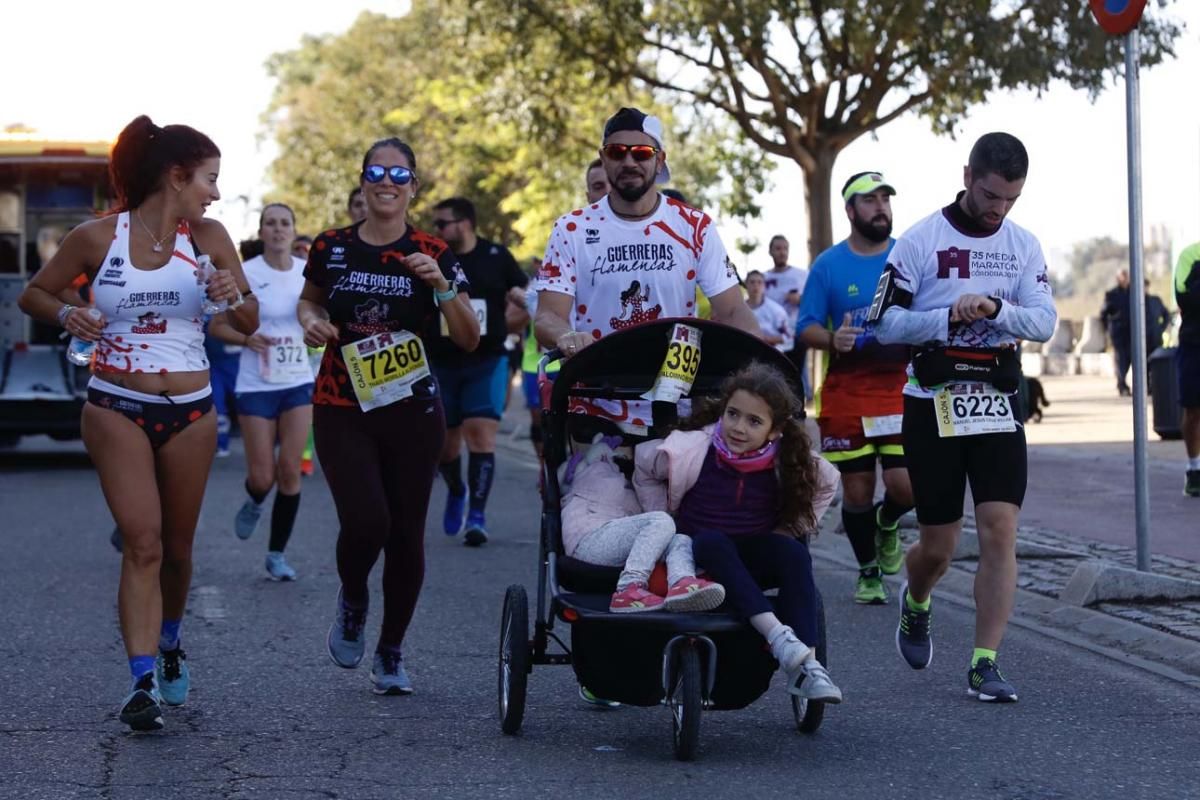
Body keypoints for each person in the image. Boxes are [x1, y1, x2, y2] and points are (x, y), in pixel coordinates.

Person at [17, 115, 258, 730]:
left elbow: (250, 321)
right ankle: (142, 678)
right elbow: (35, 296)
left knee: (177, 550)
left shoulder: (209, 237)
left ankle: (172, 643)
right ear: (177, 176)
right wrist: (70, 315)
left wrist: (232, 291)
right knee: (143, 541)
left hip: (191, 410)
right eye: (209, 178)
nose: (214, 192)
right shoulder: (98, 237)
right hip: (115, 404)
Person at [874, 132, 1056, 703]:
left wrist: (998, 308)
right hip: (933, 401)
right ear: (967, 175)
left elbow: (1044, 320)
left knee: (1001, 530)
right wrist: (943, 319)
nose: (998, 208)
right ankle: (917, 597)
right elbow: (885, 323)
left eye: (1010, 199)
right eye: (989, 195)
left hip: (996, 400)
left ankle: (984, 662)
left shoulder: (1024, 245)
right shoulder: (920, 241)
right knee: (940, 547)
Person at [298, 137, 479, 695]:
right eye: (376, 171)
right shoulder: (330, 246)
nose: (387, 182)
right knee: (367, 521)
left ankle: (392, 649)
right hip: (341, 403)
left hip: (412, 408)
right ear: (362, 180)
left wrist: (443, 286)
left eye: (399, 175)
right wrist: (311, 320)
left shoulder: (432, 249)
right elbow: (309, 301)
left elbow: (469, 338)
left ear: (413, 187)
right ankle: (354, 598)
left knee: (406, 535)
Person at [534, 106, 760, 428]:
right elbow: (546, 316)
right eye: (616, 152)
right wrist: (567, 335)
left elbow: (734, 310)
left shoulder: (694, 226)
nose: (629, 162)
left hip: (678, 404)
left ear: (660, 159)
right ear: (604, 157)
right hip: (599, 402)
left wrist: (757, 363)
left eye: (641, 152)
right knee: (599, 482)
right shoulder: (572, 229)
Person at [632, 362, 842, 703]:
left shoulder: (787, 459)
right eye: (733, 414)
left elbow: (827, 483)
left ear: (775, 431)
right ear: (722, 410)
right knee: (712, 542)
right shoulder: (693, 448)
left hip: (751, 553)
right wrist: (662, 518)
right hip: (697, 559)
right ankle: (779, 638)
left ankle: (808, 666)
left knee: (794, 553)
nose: (738, 428)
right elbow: (644, 464)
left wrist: (789, 529)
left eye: (754, 421)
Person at [797, 171, 915, 605]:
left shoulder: (909, 255)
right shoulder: (829, 265)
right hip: (847, 392)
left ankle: (888, 524)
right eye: (869, 200)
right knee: (859, 490)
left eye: (885, 197)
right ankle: (868, 571)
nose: (881, 206)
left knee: (908, 487)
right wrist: (832, 339)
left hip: (901, 389)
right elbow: (805, 325)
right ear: (850, 210)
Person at [209, 203, 312, 580]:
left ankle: (276, 555)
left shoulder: (308, 274)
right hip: (255, 385)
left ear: (293, 229)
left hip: (297, 381)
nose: (279, 229)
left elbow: (323, 314)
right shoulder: (246, 274)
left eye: (285, 223)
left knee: (290, 471)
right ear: (262, 231)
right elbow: (217, 326)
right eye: (271, 223)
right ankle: (254, 499)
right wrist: (246, 339)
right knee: (263, 477)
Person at [428, 197, 529, 546]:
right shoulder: (434, 257)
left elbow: (525, 299)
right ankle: (457, 489)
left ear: (465, 223)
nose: (437, 230)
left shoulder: (496, 256)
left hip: (487, 361)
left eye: (443, 223)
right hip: (443, 362)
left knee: (481, 436)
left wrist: (505, 324)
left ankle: (477, 516)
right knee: (446, 445)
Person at [561, 434, 725, 612]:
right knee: (661, 521)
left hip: (613, 539)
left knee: (680, 538)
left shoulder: (622, 480)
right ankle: (628, 588)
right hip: (590, 539)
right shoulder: (597, 474)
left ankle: (682, 583)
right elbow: (651, 507)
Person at [764, 235, 810, 399]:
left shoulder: (802, 275)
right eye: (778, 248)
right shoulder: (762, 279)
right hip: (770, 338)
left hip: (795, 334)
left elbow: (813, 300)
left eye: (785, 248)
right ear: (770, 251)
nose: (782, 252)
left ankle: (797, 413)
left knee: (795, 376)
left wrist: (800, 299)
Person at [1174, 240, 1200, 496]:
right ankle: (1194, 470)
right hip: (1194, 344)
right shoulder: (1190, 255)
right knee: (1193, 410)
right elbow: (1186, 297)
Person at [1100, 269, 1134, 397]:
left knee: (1131, 358)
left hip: (1131, 332)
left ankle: (1123, 383)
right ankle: (1122, 385)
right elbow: (1103, 314)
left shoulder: (1134, 292)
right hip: (1118, 332)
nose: (1125, 279)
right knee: (1121, 359)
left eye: (1126, 276)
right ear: (1118, 278)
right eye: (1122, 277)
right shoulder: (1112, 294)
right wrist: (1108, 329)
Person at [745, 270, 791, 351]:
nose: (756, 285)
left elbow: (788, 337)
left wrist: (765, 339)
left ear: (764, 286)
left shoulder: (776, 310)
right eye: (752, 282)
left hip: (771, 354)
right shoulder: (738, 309)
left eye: (759, 282)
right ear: (746, 285)